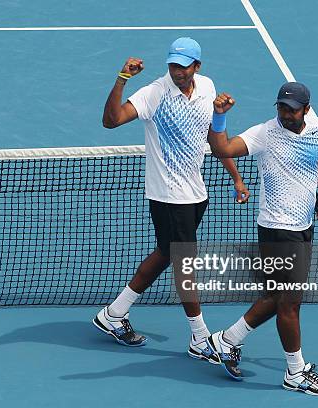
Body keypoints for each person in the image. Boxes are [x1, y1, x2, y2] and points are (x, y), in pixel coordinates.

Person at [93, 37, 250, 370]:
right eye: (173, 65)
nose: (177, 71)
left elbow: (212, 134)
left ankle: (114, 314)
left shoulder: (207, 88)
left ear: (197, 67)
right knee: (185, 263)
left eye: (183, 66)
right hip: (167, 196)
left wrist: (235, 175)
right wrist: (122, 79)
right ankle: (199, 338)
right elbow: (111, 120)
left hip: (196, 193)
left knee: (167, 252)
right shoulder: (155, 93)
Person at [206, 82, 318, 395]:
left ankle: (226, 340)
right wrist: (219, 116)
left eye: (291, 109)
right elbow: (221, 149)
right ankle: (295, 372)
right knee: (291, 303)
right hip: (278, 229)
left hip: (304, 224)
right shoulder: (264, 133)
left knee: (276, 297)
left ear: (306, 109)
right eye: (281, 107)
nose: (285, 114)